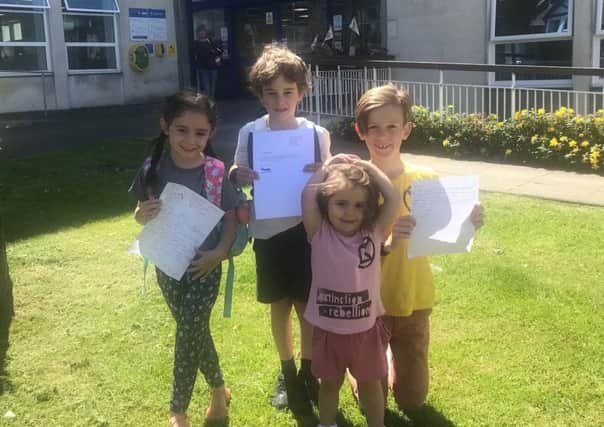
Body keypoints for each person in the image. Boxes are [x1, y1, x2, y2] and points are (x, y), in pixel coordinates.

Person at [349, 84, 485, 415]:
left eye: (392, 126)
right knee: (372, 397)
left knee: (412, 399)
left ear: (406, 129)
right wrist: (388, 241)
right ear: (360, 131)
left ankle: (393, 360)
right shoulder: (353, 183)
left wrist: (470, 220)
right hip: (369, 302)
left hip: (414, 297)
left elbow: (444, 229)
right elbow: (346, 246)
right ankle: (363, 371)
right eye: (374, 128)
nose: (383, 135)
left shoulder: (425, 179)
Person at [229, 45, 332, 416]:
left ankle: (308, 371)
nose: (279, 99)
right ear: (260, 95)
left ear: (301, 93)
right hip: (268, 233)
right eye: (270, 92)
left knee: (307, 308)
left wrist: (324, 171)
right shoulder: (250, 133)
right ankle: (286, 372)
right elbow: (236, 175)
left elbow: (331, 183)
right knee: (279, 306)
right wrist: (237, 175)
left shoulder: (316, 134)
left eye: (288, 92)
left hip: (306, 233)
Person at [129, 91, 238, 427]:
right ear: (166, 127)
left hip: (205, 267)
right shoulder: (153, 168)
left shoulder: (216, 172)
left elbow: (232, 218)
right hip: (167, 263)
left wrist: (220, 252)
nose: (190, 140)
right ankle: (219, 388)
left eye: (200, 133)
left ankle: (178, 411)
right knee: (194, 332)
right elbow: (140, 213)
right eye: (181, 130)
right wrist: (140, 216)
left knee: (187, 333)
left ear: (211, 133)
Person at [301, 155, 400, 427]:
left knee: (370, 386)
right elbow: (307, 197)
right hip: (328, 331)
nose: (350, 212)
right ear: (327, 203)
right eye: (341, 204)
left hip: (366, 331)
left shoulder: (373, 233)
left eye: (359, 205)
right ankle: (327, 423)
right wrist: (326, 168)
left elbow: (392, 198)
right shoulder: (318, 232)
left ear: (368, 209)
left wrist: (368, 168)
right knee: (329, 385)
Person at [194, 26, 223, 99]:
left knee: (213, 85)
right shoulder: (196, 43)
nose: (202, 33)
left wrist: (215, 56)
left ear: (206, 32)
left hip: (213, 66)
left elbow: (219, 51)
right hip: (203, 67)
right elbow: (199, 54)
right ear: (198, 34)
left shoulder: (211, 41)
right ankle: (209, 101)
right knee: (206, 86)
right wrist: (211, 52)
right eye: (200, 32)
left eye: (203, 32)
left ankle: (211, 100)